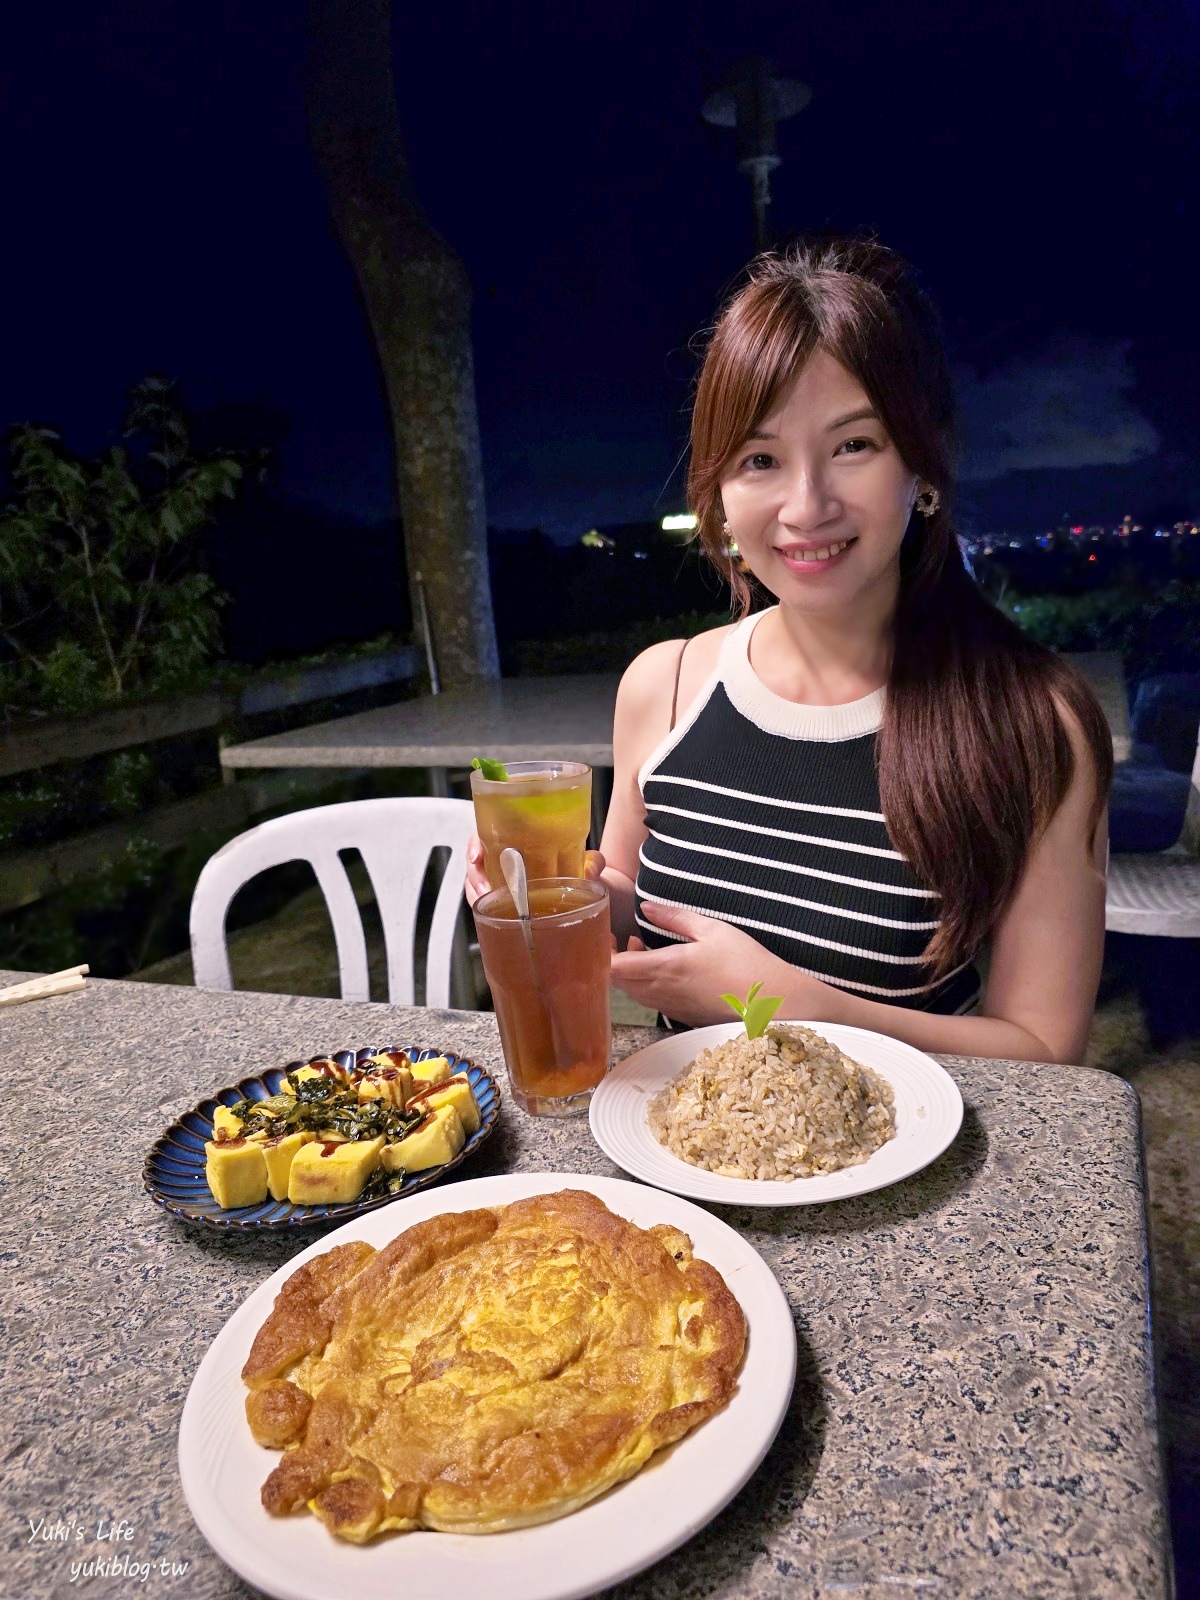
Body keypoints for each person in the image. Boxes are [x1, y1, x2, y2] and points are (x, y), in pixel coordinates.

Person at [468, 236, 1112, 1064]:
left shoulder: (1031, 723)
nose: (805, 507)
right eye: (761, 459)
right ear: (721, 492)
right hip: (681, 1158)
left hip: (904, 1174)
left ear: (924, 468)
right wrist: (574, 897)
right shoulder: (664, 685)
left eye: (854, 445)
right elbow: (633, 908)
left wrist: (792, 1003)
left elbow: (1045, 1051)